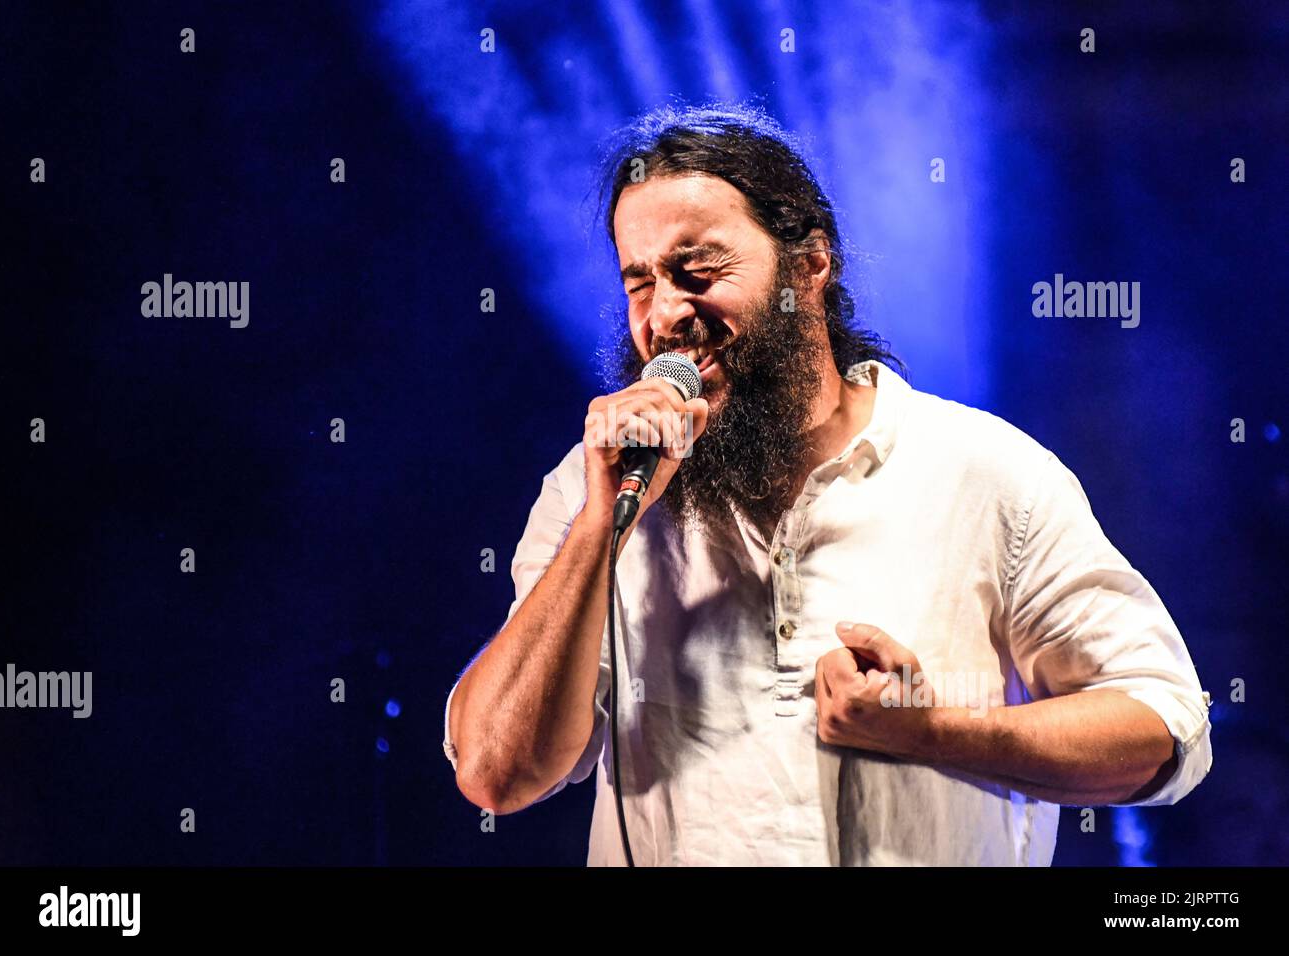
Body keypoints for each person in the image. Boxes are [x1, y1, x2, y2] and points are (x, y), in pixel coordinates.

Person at [442, 104, 1212, 865]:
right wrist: (599, 529)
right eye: (639, 283)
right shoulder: (594, 490)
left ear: (811, 264)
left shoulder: (983, 472)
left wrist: (935, 730)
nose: (667, 312)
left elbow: (1163, 728)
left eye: (697, 269)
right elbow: (495, 775)